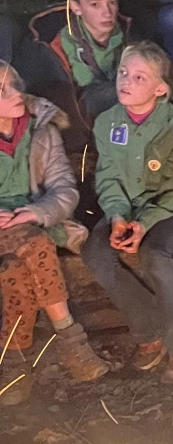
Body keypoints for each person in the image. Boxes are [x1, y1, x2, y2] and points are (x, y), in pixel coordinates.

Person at [82, 43, 173, 383]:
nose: (127, 81)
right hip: (128, 207)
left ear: (160, 89)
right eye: (123, 73)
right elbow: (107, 176)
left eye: (139, 77)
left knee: (154, 253)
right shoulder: (108, 122)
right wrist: (118, 216)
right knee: (96, 252)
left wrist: (144, 223)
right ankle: (149, 328)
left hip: (171, 208)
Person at [0, 61, 109, 407]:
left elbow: (65, 189)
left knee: (18, 266)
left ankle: (14, 364)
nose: (17, 93)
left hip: (37, 224)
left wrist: (37, 212)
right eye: (3, 91)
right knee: (36, 245)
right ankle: (71, 341)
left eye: (16, 83)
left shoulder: (41, 131)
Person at [27, 0, 130, 128]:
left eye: (112, 2)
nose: (107, 12)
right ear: (76, 7)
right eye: (95, 4)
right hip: (83, 111)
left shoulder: (128, 31)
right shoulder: (60, 41)